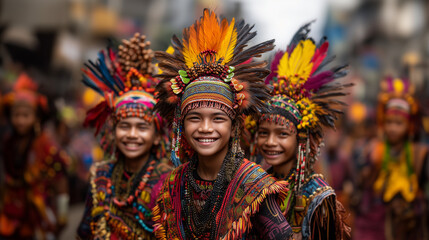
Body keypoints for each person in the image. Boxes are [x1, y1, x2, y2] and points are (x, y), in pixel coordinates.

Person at [152, 9, 293, 240]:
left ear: (234, 125)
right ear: (181, 124)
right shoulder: (173, 184)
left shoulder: (254, 186)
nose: (205, 128)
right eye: (195, 118)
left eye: (218, 118)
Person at [255, 23, 351, 240]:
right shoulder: (257, 186)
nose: (270, 142)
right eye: (263, 133)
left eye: (282, 134)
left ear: (300, 139)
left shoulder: (318, 196)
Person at [76, 33, 172, 240]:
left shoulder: (168, 181)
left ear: (157, 136)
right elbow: (85, 231)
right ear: (113, 131)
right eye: (125, 126)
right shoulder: (100, 175)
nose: (132, 135)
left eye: (142, 127)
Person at [353, 77, 428, 240]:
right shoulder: (372, 149)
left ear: (409, 125)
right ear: (382, 122)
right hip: (375, 222)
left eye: (398, 123)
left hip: (410, 226)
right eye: (389, 122)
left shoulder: (420, 154)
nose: (393, 128)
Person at [0, 73, 69, 240]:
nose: (20, 121)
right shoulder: (8, 142)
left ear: (37, 117)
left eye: (25, 115)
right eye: (16, 115)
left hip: (37, 216)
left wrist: (62, 215)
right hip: (10, 213)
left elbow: (60, 183)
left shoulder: (47, 147)